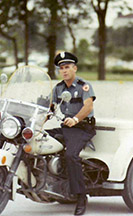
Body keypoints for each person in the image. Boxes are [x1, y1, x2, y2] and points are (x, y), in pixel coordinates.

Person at [46, 51, 96, 215]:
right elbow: (49, 108)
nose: (64, 71)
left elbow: (88, 106)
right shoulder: (58, 88)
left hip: (83, 127)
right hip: (67, 127)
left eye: (67, 67)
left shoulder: (84, 86)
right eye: (61, 68)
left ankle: (81, 196)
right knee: (38, 139)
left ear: (74, 68)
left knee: (71, 155)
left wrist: (75, 119)